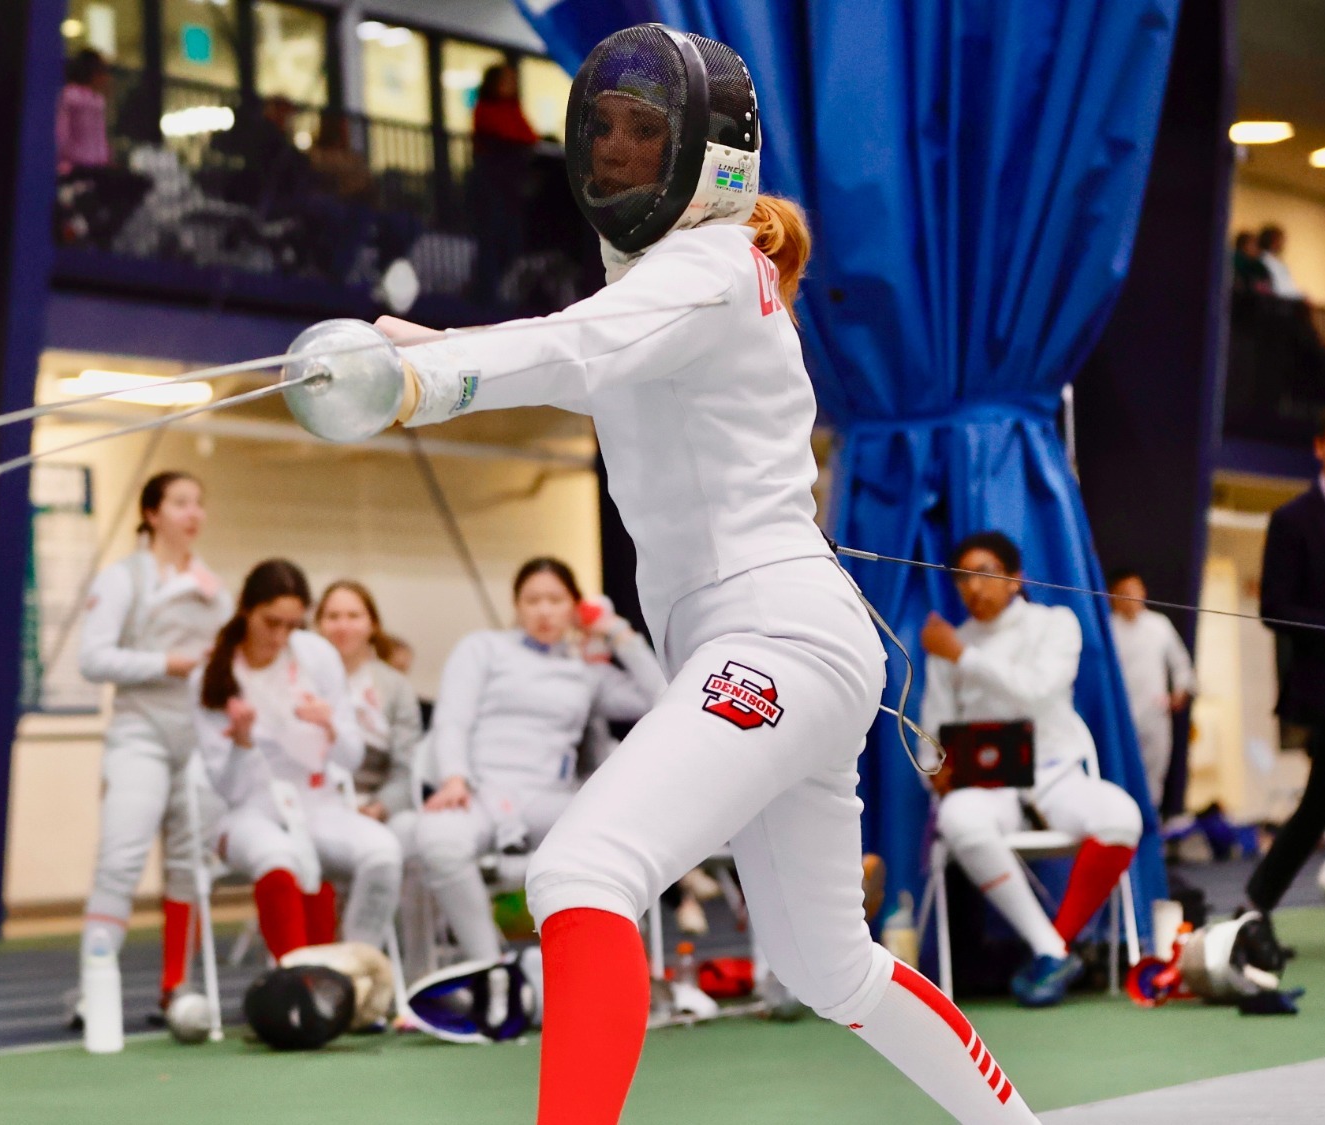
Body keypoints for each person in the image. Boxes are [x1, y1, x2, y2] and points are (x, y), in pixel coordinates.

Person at [358, 27, 1042, 1122]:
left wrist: (423, 380)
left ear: (712, 153)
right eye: (603, 131)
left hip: (774, 640)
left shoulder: (710, 264)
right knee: (831, 969)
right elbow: (590, 361)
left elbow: (576, 350)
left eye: (645, 131)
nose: (617, 152)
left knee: (582, 870)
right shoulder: (671, 284)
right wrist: (422, 347)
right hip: (785, 646)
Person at [388, 559, 662, 964]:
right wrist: (454, 778)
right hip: (480, 792)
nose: (545, 610)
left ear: (575, 607)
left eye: (556, 599)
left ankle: (610, 967)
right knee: (438, 841)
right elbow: (453, 719)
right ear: (517, 605)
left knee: (617, 840)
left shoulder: (586, 671)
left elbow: (662, 698)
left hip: (549, 799)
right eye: (533, 600)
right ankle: (492, 970)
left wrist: (619, 633)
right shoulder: (483, 648)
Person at [921, 531, 1144, 1007]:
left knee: (1122, 815)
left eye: (984, 573)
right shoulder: (950, 645)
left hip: (1057, 774)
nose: (973, 588)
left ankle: (1055, 946)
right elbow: (931, 731)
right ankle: (1050, 949)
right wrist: (933, 770)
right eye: (962, 577)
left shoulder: (1055, 624)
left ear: (1014, 578)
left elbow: (1039, 690)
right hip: (990, 787)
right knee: (959, 817)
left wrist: (965, 657)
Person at [76, 470, 233, 1024]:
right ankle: (92, 989)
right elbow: (93, 659)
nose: (193, 514)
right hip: (139, 733)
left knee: (191, 866)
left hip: (197, 740)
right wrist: (166, 663)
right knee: (121, 857)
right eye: (180, 503)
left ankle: (176, 987)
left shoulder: (215, 589)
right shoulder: (123, 579)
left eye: (199, 503)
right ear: (152, 514)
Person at [192, 560, 401, 958]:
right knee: (279, 857)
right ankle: (295, 975)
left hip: (316, 802)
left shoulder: (316, 655)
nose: (281, 635)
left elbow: (351, 758)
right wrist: (241, 743)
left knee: (384, 853)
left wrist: (331, 727)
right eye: (272, 623)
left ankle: (353, 969)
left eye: (293, 625)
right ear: (245, 609)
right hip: (247, 811)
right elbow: (227, 788)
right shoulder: (212, 675)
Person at [1243, 399, 1325, 957]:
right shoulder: (1293, 520)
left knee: (1322, 801)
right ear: (1320, 447)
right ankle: (1252, 909)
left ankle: (1252, 905)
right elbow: (1275, 606)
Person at [314, 579, 421, 822]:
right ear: (319, 624)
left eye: (353, 616)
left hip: (373, 803)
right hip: (314, 799)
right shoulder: (300, 677)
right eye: (333, 617)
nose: (343, 626)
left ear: (372, 624)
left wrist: (379, 808)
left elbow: (405, 769)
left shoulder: (396, 687)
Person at [1107, 567, 1196, 811]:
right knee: (1119, 774)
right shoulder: (1108, 629)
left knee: (1154, 776)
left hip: (1155, 715)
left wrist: (1181, 689)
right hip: (1120, 717)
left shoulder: (1159, 625)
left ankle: (1150, 830)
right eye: (1125, 592)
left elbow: (1181, 664)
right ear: (1113, 596)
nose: (1132, 597)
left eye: (1136, 591)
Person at [54, 48, 150, 246]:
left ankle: (96, 232)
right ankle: (93, 233)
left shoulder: (96, 101)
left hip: (95, 169)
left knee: (137, 184)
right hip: (76, 168)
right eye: (102, 72)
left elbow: (99, 140)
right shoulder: (70, 96)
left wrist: (107, 160)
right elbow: (61, 135)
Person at [469, 62, 539, 305]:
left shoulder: (513, 108)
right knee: (491, 237)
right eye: (506, 80)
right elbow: (509, 135)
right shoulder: (485, 109)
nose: (511, 85)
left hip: (511, 187)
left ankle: (504, 294)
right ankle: (485, 295)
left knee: (512, 240)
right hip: (491, 185)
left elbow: (529, 135)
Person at [1257, 225, 1303, 302]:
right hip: (1279, 304)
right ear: (1273, 241)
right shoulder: (1265, 262)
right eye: (1281, 240)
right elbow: (1280, 289)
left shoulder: (1277, 262)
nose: (1283, 244)